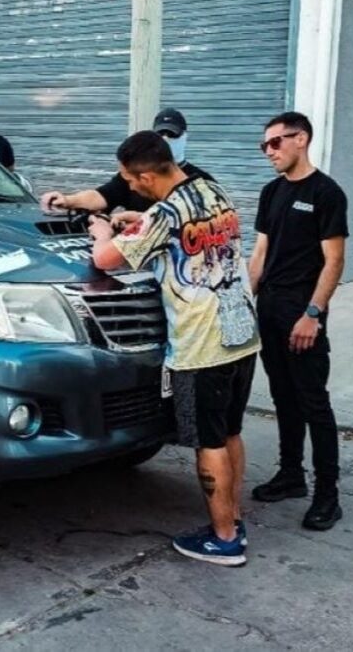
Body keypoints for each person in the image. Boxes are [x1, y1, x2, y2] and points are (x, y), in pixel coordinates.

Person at [89, 131, 259, 567]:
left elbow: (106, 260)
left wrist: (103, 229)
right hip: (240, 330)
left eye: (130, 179)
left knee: (208, 441)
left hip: (201, 344)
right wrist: (136, 224)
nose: (128, 186)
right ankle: (233, 518)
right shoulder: (211, 189)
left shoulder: (164, 213)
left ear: (146, 176)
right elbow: (180, 238)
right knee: (231, 430)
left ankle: (223, 539)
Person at [247, 111, 348, 532]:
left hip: (301, 314)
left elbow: (335, 260)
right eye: (264, 145)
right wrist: (244, 305)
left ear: (300, 139)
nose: (269, 151)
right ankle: (291, 475)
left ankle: (329, 493)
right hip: (269, 310)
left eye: (275, 143)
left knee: (313, 403)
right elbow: (260, 253)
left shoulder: (327, 193)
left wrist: (313, 314)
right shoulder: (271, 192)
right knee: (283, 399)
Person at [41, 108, 214, 215]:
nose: (166, 139)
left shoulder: (204, 185)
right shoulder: (133, 173)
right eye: (161, 134)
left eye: (172, 135)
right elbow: (102, 195)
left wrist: (105, 235)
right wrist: (68, 200)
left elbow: (105, 258)